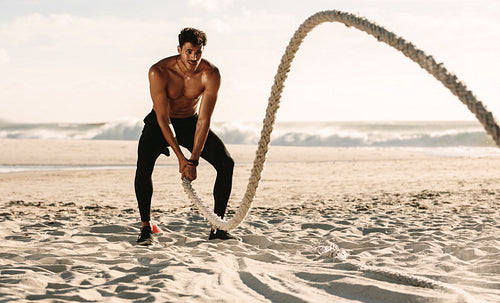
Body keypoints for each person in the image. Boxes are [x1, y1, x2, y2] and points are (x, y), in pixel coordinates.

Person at [134, 28, 236, 245]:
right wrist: (181, 158)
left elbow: (204, 120)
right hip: (160, 122)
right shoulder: (159, 71)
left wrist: (193, 160)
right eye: (189, 51)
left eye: (198, 52)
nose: (194, 57)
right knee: (143, 165)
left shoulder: (210, 74)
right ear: (179, 49)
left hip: (190, 122)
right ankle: (145, 228)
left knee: (226, 163)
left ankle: (217, 228)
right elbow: (162, 119)